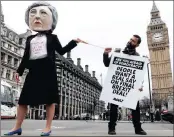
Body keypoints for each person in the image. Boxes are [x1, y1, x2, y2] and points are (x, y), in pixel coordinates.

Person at [4, 2, 84, 136]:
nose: (37, 17)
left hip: (48, 71)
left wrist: (73, 43)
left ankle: (48, 127)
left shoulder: (53, 38)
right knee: (23, 100)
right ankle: (17, 127)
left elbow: (61, 51)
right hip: (33, 71)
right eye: (33, 14)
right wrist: (19, 71)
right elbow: (25, 57)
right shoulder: (29, 38)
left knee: (50, 100)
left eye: (42, 14)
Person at [103, 35, 147, 135]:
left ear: (137, 45)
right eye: (130, 39)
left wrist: (139, 85)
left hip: (130, 86)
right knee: (114, 106)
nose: (130, 41)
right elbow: (107, 64)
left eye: (133, 41)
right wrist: (106, 54)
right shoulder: (119, 52)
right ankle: (111, 128)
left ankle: (138, 128)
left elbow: (138, 74)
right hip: (118, 84)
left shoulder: (137, 56)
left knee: (135, 106)